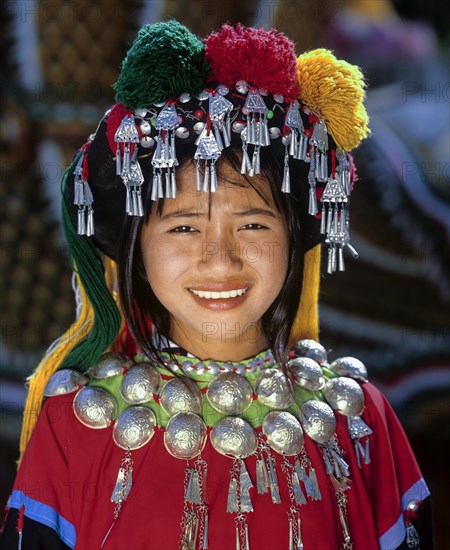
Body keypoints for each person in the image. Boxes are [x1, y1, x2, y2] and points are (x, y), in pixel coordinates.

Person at [0, 20, 432, 550]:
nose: (219, 258)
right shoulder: (77, 425)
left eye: (253, 224)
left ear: (295, 240)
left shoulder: (357, 419)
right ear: (137, 249)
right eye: (183, 227)